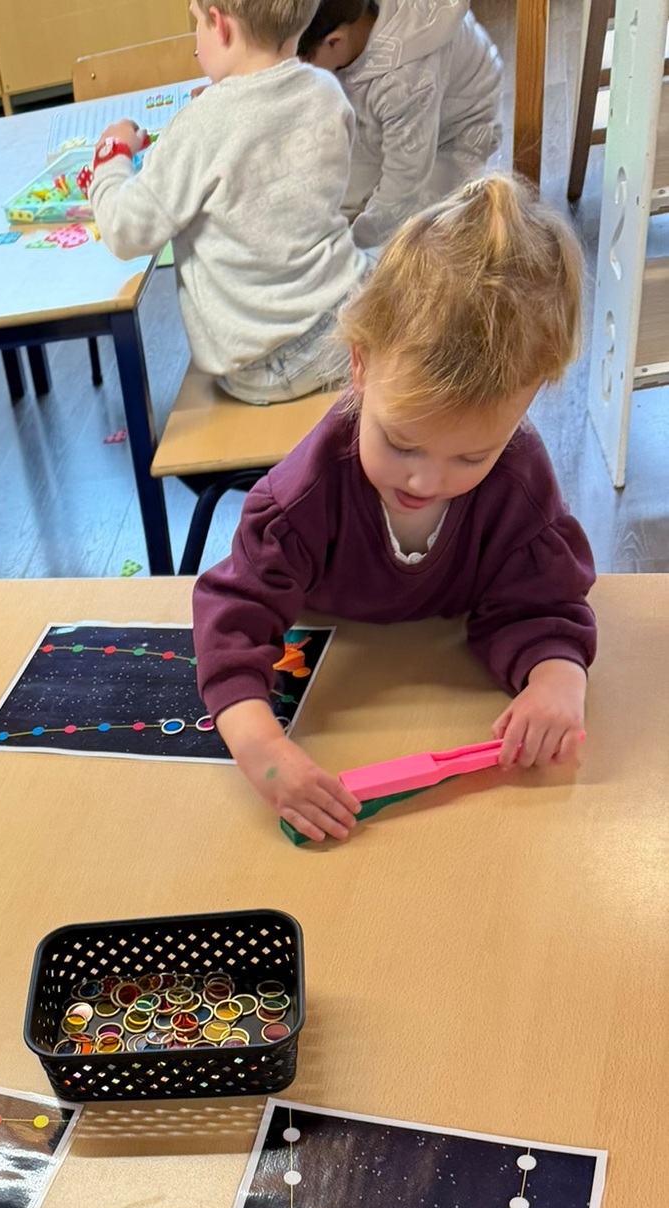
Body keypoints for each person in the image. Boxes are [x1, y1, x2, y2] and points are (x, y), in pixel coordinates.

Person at [193, 174, 595, 842]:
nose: (427, 480)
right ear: (360, 365)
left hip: (440, 677)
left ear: (526, 404)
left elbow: (544, 604)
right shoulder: (305, 494)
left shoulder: (519, 478)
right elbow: (233, 621)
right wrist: (263, 751)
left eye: (471, 457)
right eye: (402, 442)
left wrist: (558, 680)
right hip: (339, 662)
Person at [89, 0, 367, 404]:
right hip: (346, 320)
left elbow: (124, 230)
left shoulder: (199, 125)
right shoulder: (327, 91)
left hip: (265, 365)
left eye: (197, 21)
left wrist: (110, 157)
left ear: (219, 25)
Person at [299, 0, 502, 249]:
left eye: (302, 61)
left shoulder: (406, 82)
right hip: (389, 113)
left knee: (419, 234)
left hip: (457, 130)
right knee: (334, 195)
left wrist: (355, 245)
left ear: (335, 41)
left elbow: (405, 183)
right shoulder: (355, 29)